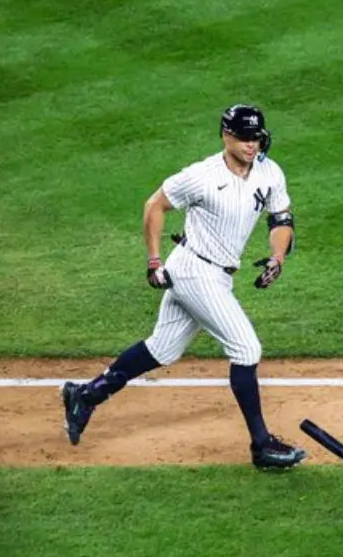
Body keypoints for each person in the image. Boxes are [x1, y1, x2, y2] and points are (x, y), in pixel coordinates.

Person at [61, 104, 306, 469]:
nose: (251, 145)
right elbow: (155, 206)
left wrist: (277, 257)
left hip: (218, 274)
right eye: (243, 137)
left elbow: (282, 218)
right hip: (194, 271)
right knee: (246, 348)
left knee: (162, 348)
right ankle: (262, 446)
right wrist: (153, 260)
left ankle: (86, 394)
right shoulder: (201, 175)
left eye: (255, 137)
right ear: (226, 136)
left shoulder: (270, 172)